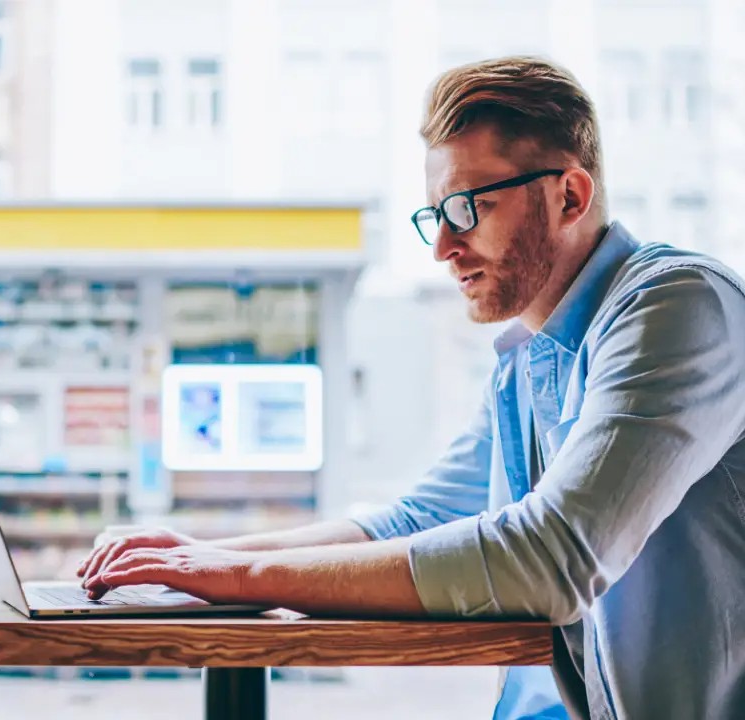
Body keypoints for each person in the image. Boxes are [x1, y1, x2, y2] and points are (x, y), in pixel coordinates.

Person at [77, 56, 745, 719]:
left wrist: (235, 577)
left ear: (570, 195)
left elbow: (550, 559)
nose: (443, 246)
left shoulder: (679, 307)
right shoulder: (525, 362)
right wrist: (201, 557)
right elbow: (418, 521)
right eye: (435, 216)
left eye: (468, 207)